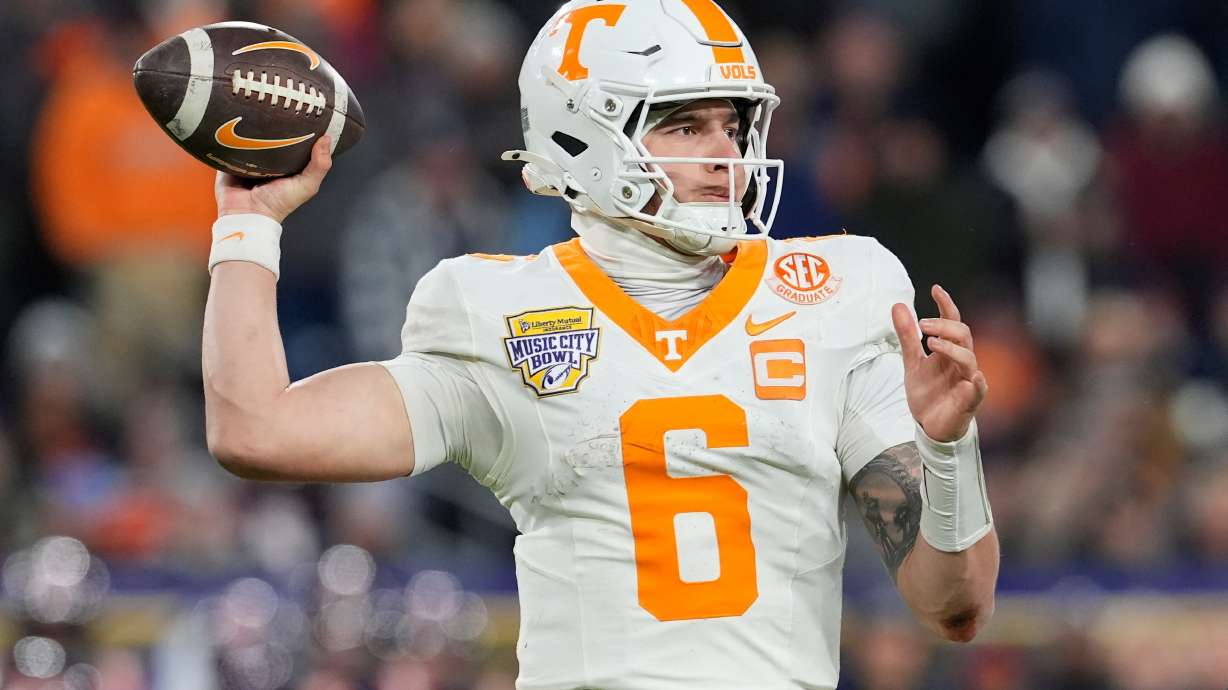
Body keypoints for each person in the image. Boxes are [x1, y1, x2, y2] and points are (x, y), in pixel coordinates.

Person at [202, 1, 999, 687]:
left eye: (734, 124)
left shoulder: (835, 290)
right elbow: (255, 430)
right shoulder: (496, 309)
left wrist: (948, 449)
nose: (726, 154)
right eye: (686, 125)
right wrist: (248, 225)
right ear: (582, 136)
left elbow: (953, 605)